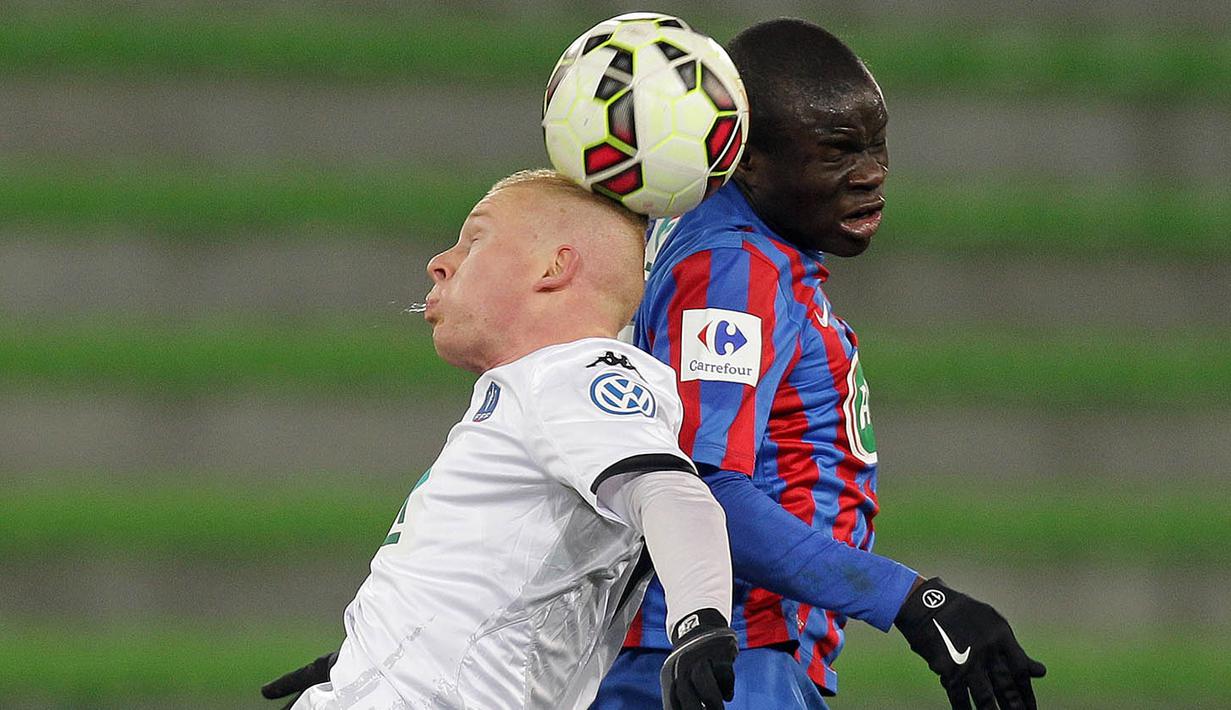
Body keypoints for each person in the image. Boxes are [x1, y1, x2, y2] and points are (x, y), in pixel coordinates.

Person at [590, 19, 1046, 710]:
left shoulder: (730, 246)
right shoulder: (731, 271)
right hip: (722, 660)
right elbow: (702, 492)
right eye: (836, 152)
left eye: (876, 144)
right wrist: (913, 601)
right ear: (745, 158)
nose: (871, 175)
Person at [263, 170, 740, 710]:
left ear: (553, 268)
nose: (439, 262)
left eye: (475, 241)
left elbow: (674, 497)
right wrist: (370, 655)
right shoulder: (533, 394)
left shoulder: (576, 373)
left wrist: (700, 624)